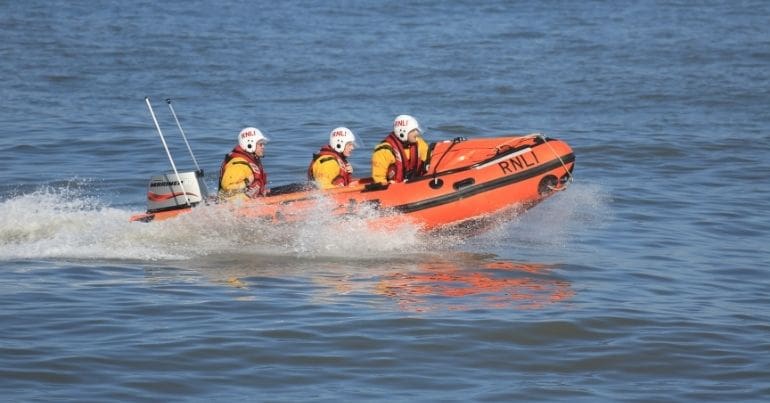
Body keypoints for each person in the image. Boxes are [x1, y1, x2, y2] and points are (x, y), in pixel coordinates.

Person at [370, 114, 429, 184]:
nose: (417, 133)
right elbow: (379, 178)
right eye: (413, 130)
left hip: (415, 184)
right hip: (395, 189)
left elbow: (430, 160)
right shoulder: (384, 151)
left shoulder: (420, 144)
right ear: (402, 132)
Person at [218, 127, 269, 201]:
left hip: (248, 202)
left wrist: (261, 191)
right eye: (260, 144)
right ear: (249, 144)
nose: (263, 147)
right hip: (233, 206)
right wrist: (246, 182)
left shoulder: (252, 161)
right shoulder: (239, 164)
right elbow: (226, 187)